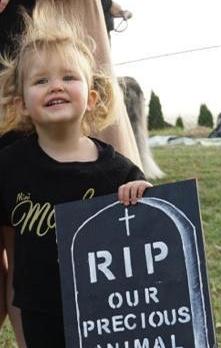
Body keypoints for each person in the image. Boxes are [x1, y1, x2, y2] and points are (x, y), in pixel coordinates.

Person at [0, 3, 151, 346]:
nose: (56, 86)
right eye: (41, 80)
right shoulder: (8, 168)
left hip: (103, 324)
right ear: (21, 102)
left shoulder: (119, 172)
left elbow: (144, 253)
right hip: (41, 328)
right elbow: (15, 273)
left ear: (92, 96)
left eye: (69, 77)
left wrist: (144, 197)